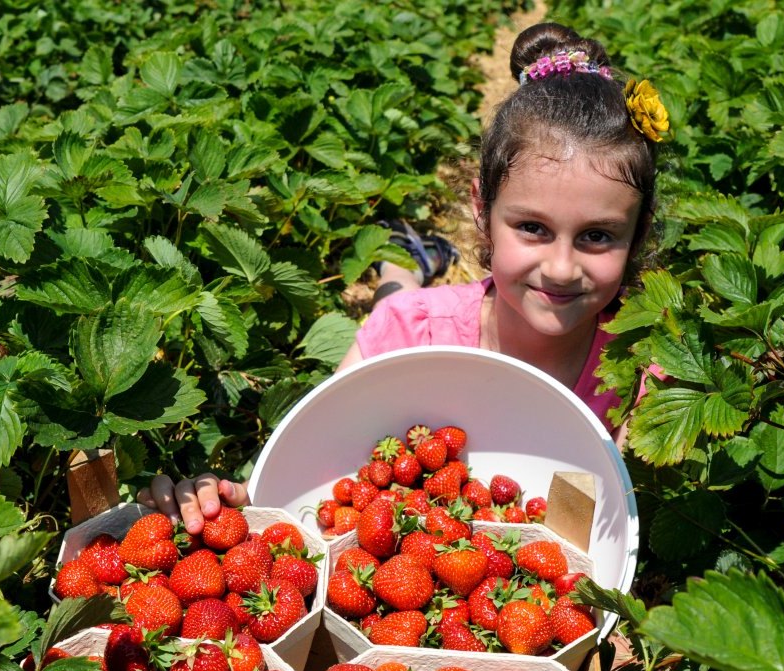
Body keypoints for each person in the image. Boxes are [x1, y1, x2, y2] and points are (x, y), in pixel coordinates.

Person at [139, 21, 669, 534]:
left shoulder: (643, 367)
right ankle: (400, 264)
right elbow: (306, 478)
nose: (560, 267)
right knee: (398, 301)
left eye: (597, 236)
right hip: (419, 315)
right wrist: (229, 504)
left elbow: (616, 523)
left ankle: (407, 262)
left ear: (637, 233)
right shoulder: (406, 335)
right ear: (482, 212)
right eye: (532, 228)